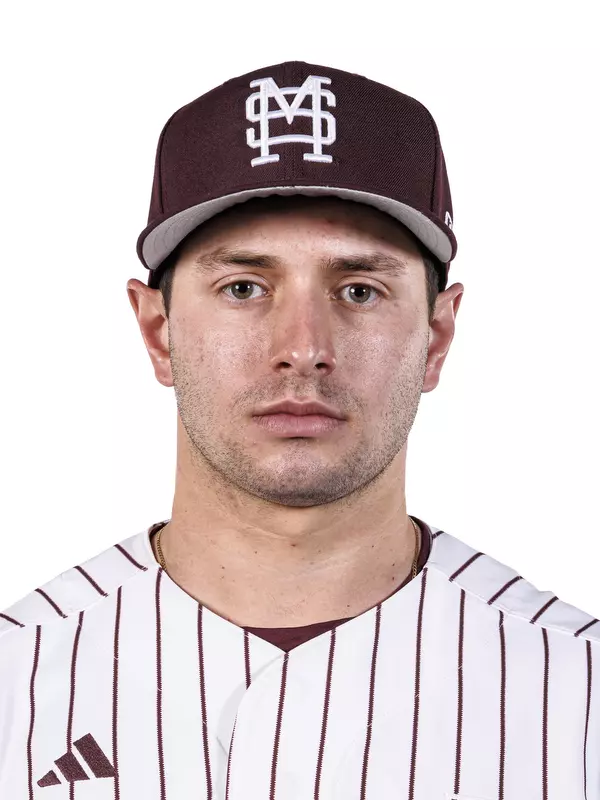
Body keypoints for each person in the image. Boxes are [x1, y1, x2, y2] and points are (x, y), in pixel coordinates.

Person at [0, 61, 597, 800]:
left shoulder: (580, 695)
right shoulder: (16, 679)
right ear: (158, 332)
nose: (304, 346)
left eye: (360, 290)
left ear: (437, 337)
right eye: (244, 287)